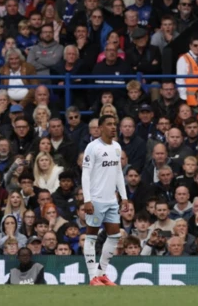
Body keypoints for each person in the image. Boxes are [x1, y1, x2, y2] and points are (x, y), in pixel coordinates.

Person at [82, 114, 128, 286]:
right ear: (100, 128)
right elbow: (85, 174)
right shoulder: (92, 147)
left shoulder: (116, 147)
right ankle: (92, 276)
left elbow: (118, 173)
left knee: (115, 236)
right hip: (96, 199)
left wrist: (123, 197)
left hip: (111, 200)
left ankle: (102, 274)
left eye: (114, 124)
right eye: (109, 124)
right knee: (91, 237)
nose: (113, 127)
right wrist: (87, 199)